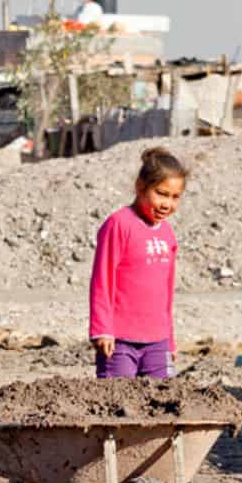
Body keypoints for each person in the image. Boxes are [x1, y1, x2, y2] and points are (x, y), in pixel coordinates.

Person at [89, 146, 189, 378]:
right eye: (161, 193)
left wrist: (170, 340)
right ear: (140, 187)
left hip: (158, 342)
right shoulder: (119, 224)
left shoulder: (167, 234)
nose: (167, 204)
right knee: (119, 403)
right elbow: (102, 280)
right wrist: (102, 329)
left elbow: (166, 292)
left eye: (175, 197)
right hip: (119, 342)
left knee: (164, 402)